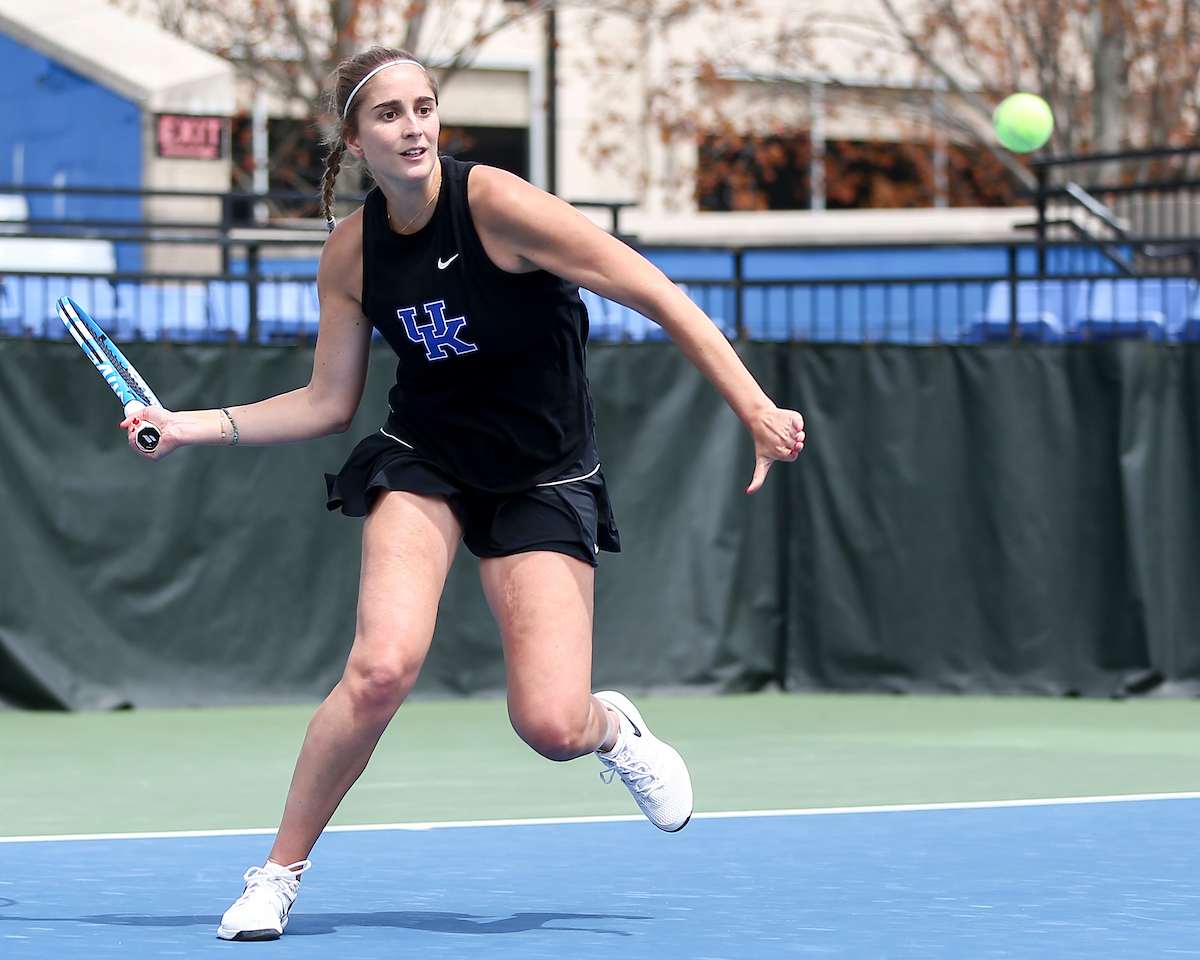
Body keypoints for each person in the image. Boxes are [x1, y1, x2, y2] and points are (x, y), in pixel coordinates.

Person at [122, 46, 805, 942]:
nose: (412, 127)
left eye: (424, 108)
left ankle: (615, 733)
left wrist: (754, 406)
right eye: (389, 114)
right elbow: (329, 403)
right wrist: (188, 425)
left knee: (552, 724)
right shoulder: (351, 255)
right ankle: (278, 874)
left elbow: (657, 292)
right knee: (379, 669)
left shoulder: (497, 205)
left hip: (543, 471)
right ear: (356, 137)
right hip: (427, 458)